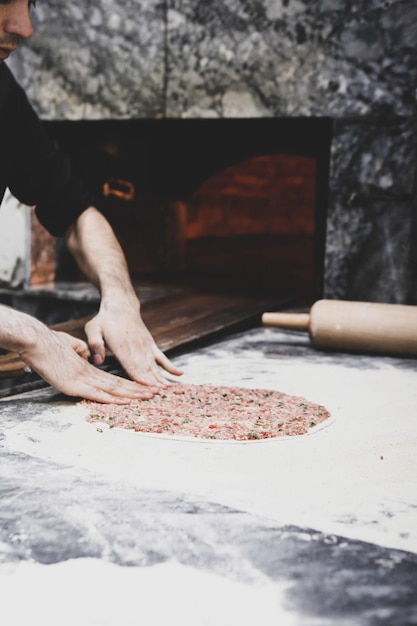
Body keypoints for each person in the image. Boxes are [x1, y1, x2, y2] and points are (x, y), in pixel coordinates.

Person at [0, 0, 183, 402]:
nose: (25, 27)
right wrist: (32, 336)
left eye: (29, 4)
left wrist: (120, 297)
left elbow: (77, 212)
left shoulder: (2, 93)